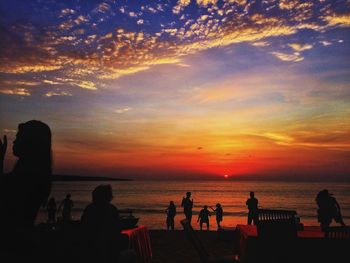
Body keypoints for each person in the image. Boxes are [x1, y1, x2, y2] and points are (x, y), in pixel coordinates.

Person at [0, 120, 52, 261]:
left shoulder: (29, 176)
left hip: (13, 246)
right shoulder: (37, 173)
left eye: (18, 137)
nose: (14, 141)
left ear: (31, 142)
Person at [80, 184, 133, 263]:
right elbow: (117, 227)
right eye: (110, 194)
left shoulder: (89, 208)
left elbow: (83, 224)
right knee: (130, 249)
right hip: (108, 248)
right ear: (107, 196)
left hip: (91, 246)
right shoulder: (111, 209)